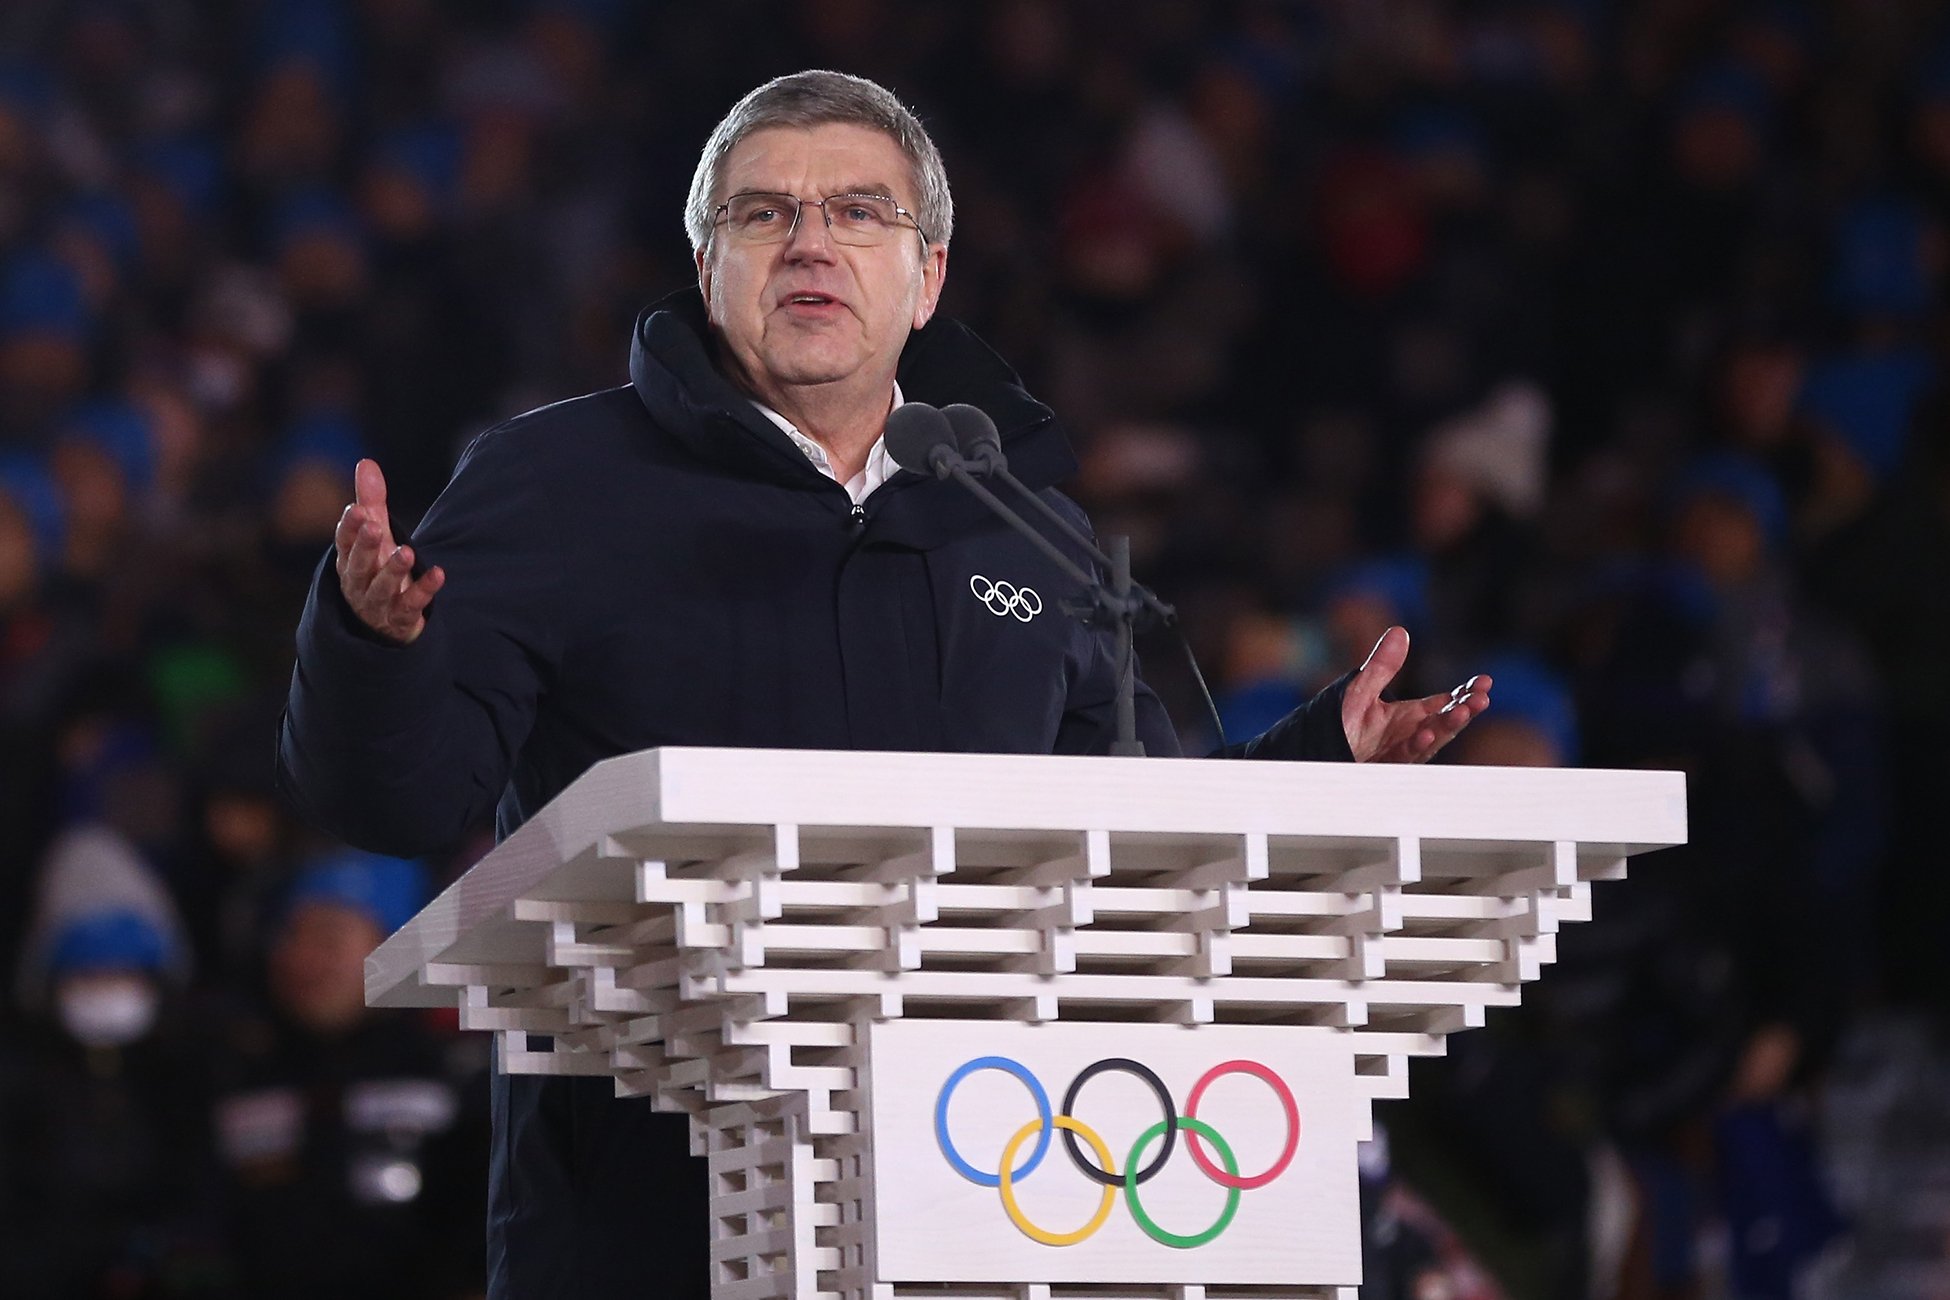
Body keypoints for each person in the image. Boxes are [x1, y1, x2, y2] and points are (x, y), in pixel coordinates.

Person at [277, 69, 1492, 1300]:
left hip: (979, 1219)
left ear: (929, 276)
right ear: (706, 266)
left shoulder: (1025, 527)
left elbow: (1138, 854)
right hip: (642, 1234)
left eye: (860, 212)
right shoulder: (553, 483)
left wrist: (1319, 763)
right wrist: (374, 642)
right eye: (765, 213)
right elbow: (394, 798)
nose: (812, 242)